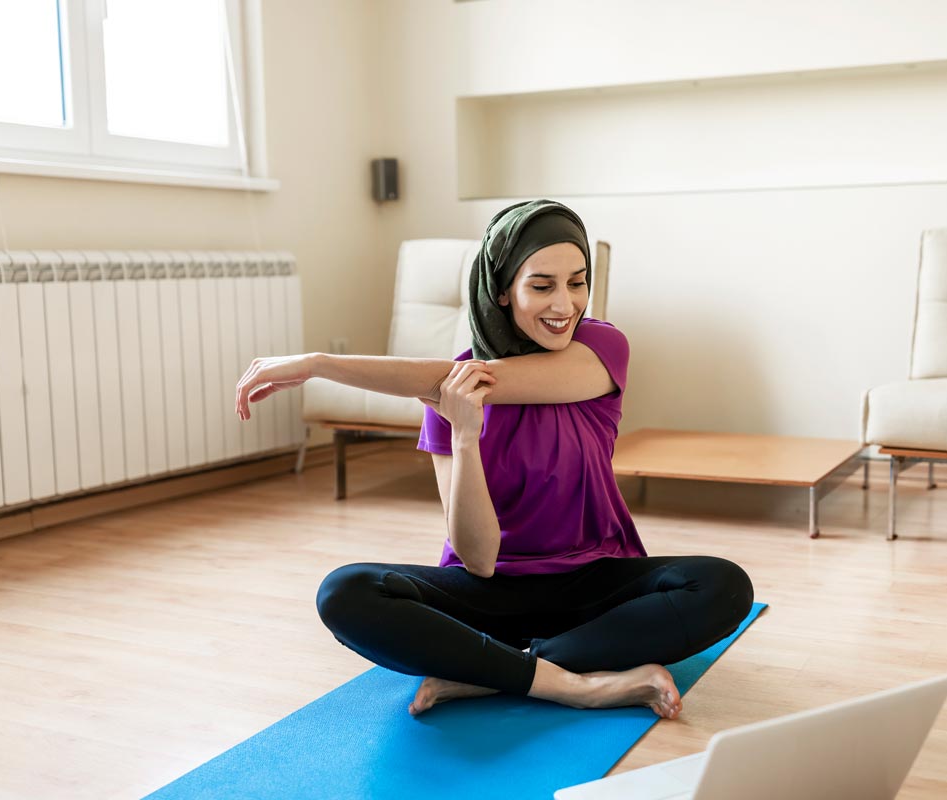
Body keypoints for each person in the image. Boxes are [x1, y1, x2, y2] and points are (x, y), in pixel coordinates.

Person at [234, 200, 754, 719]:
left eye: (577, 282)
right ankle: (574, 684)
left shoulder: (600, 347)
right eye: (542, 285)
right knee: (344, 592)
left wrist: (318, 363)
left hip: (597, 582)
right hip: (488, 595)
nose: (566, 303)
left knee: (724, 586)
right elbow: (478, 560)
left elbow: (472, 380)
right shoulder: (451, 394)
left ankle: (492, 673)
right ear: (502, 290)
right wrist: (464, 436)